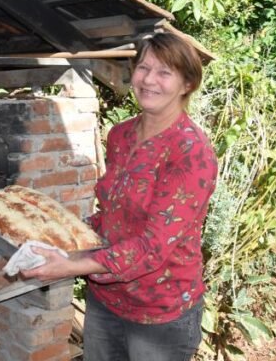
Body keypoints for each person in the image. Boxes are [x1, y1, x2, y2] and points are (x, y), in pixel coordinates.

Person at [21, 32, 218, 361]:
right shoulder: (121, 135)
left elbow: (153, 247)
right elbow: (111, 214)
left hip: (159, 314)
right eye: (143, 68)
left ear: (186, 85)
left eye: (164, 72)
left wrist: (72, 266)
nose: (149, 80)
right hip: (106, 299)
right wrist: (63, 236)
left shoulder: (190, 153)